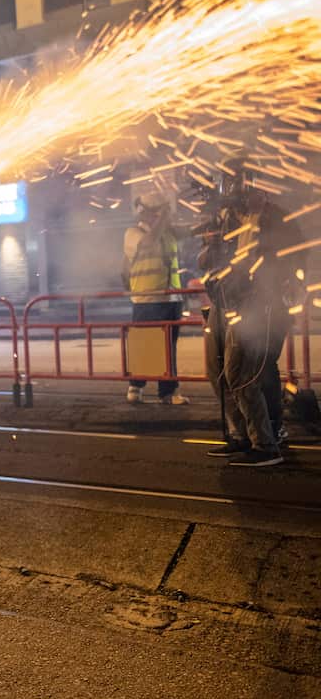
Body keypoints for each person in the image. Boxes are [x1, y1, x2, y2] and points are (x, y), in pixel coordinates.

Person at [199, 153, 303, 467]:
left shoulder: (275, 219)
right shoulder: (228, 218)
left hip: (261, 307)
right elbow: (213, 260)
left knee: (249, 374)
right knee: (223, 374)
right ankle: (243, 436)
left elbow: (287, 262)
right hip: (229, 304)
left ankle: (268, 439)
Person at [122, 191, 190, 404]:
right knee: (145, 346)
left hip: (171, 298)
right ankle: (136, 387)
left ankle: (168, 392)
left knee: (168, 347)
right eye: (160, 212)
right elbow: (148, 243)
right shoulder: (133, 233)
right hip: (147, 300)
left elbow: (186, 231)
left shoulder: (168, 233)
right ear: (147, 213)